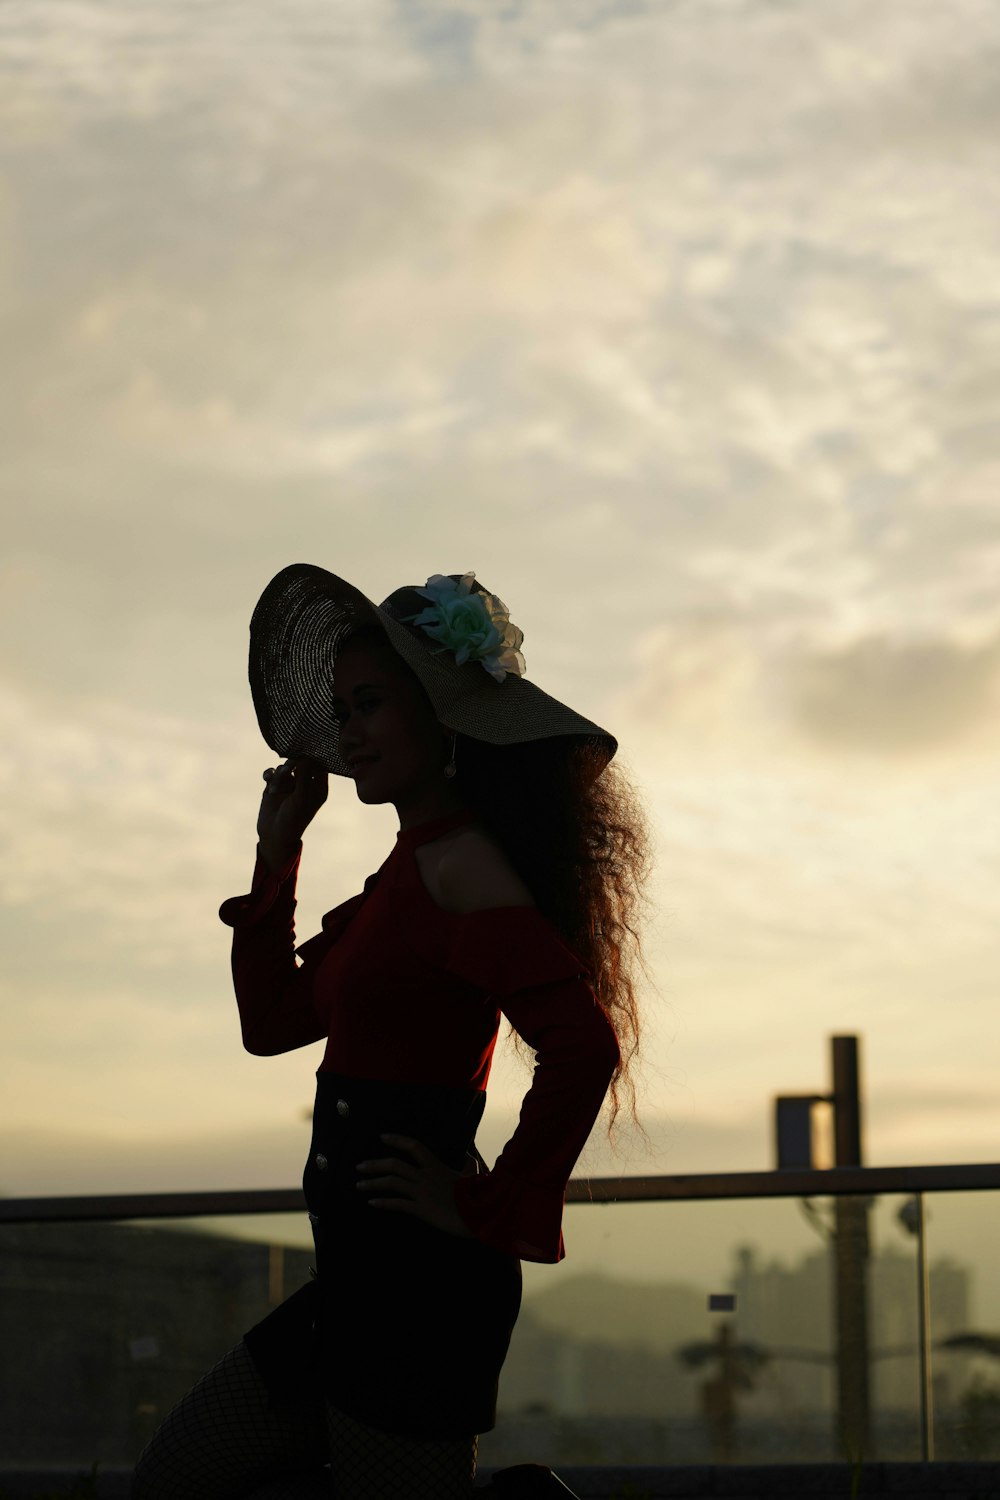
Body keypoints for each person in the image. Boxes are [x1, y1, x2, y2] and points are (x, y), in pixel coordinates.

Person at [131, 566, 651, 1500]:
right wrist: (277, 849)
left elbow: (584, 1048)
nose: (347, 733)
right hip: (360, 1280)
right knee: (177, 1479)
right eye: (342, 708)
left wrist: (482, 1211)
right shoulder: (405, 873)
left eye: (369, 705)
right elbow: (274, 1023)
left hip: (420, 1290)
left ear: (440, 720)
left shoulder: (461, 868)